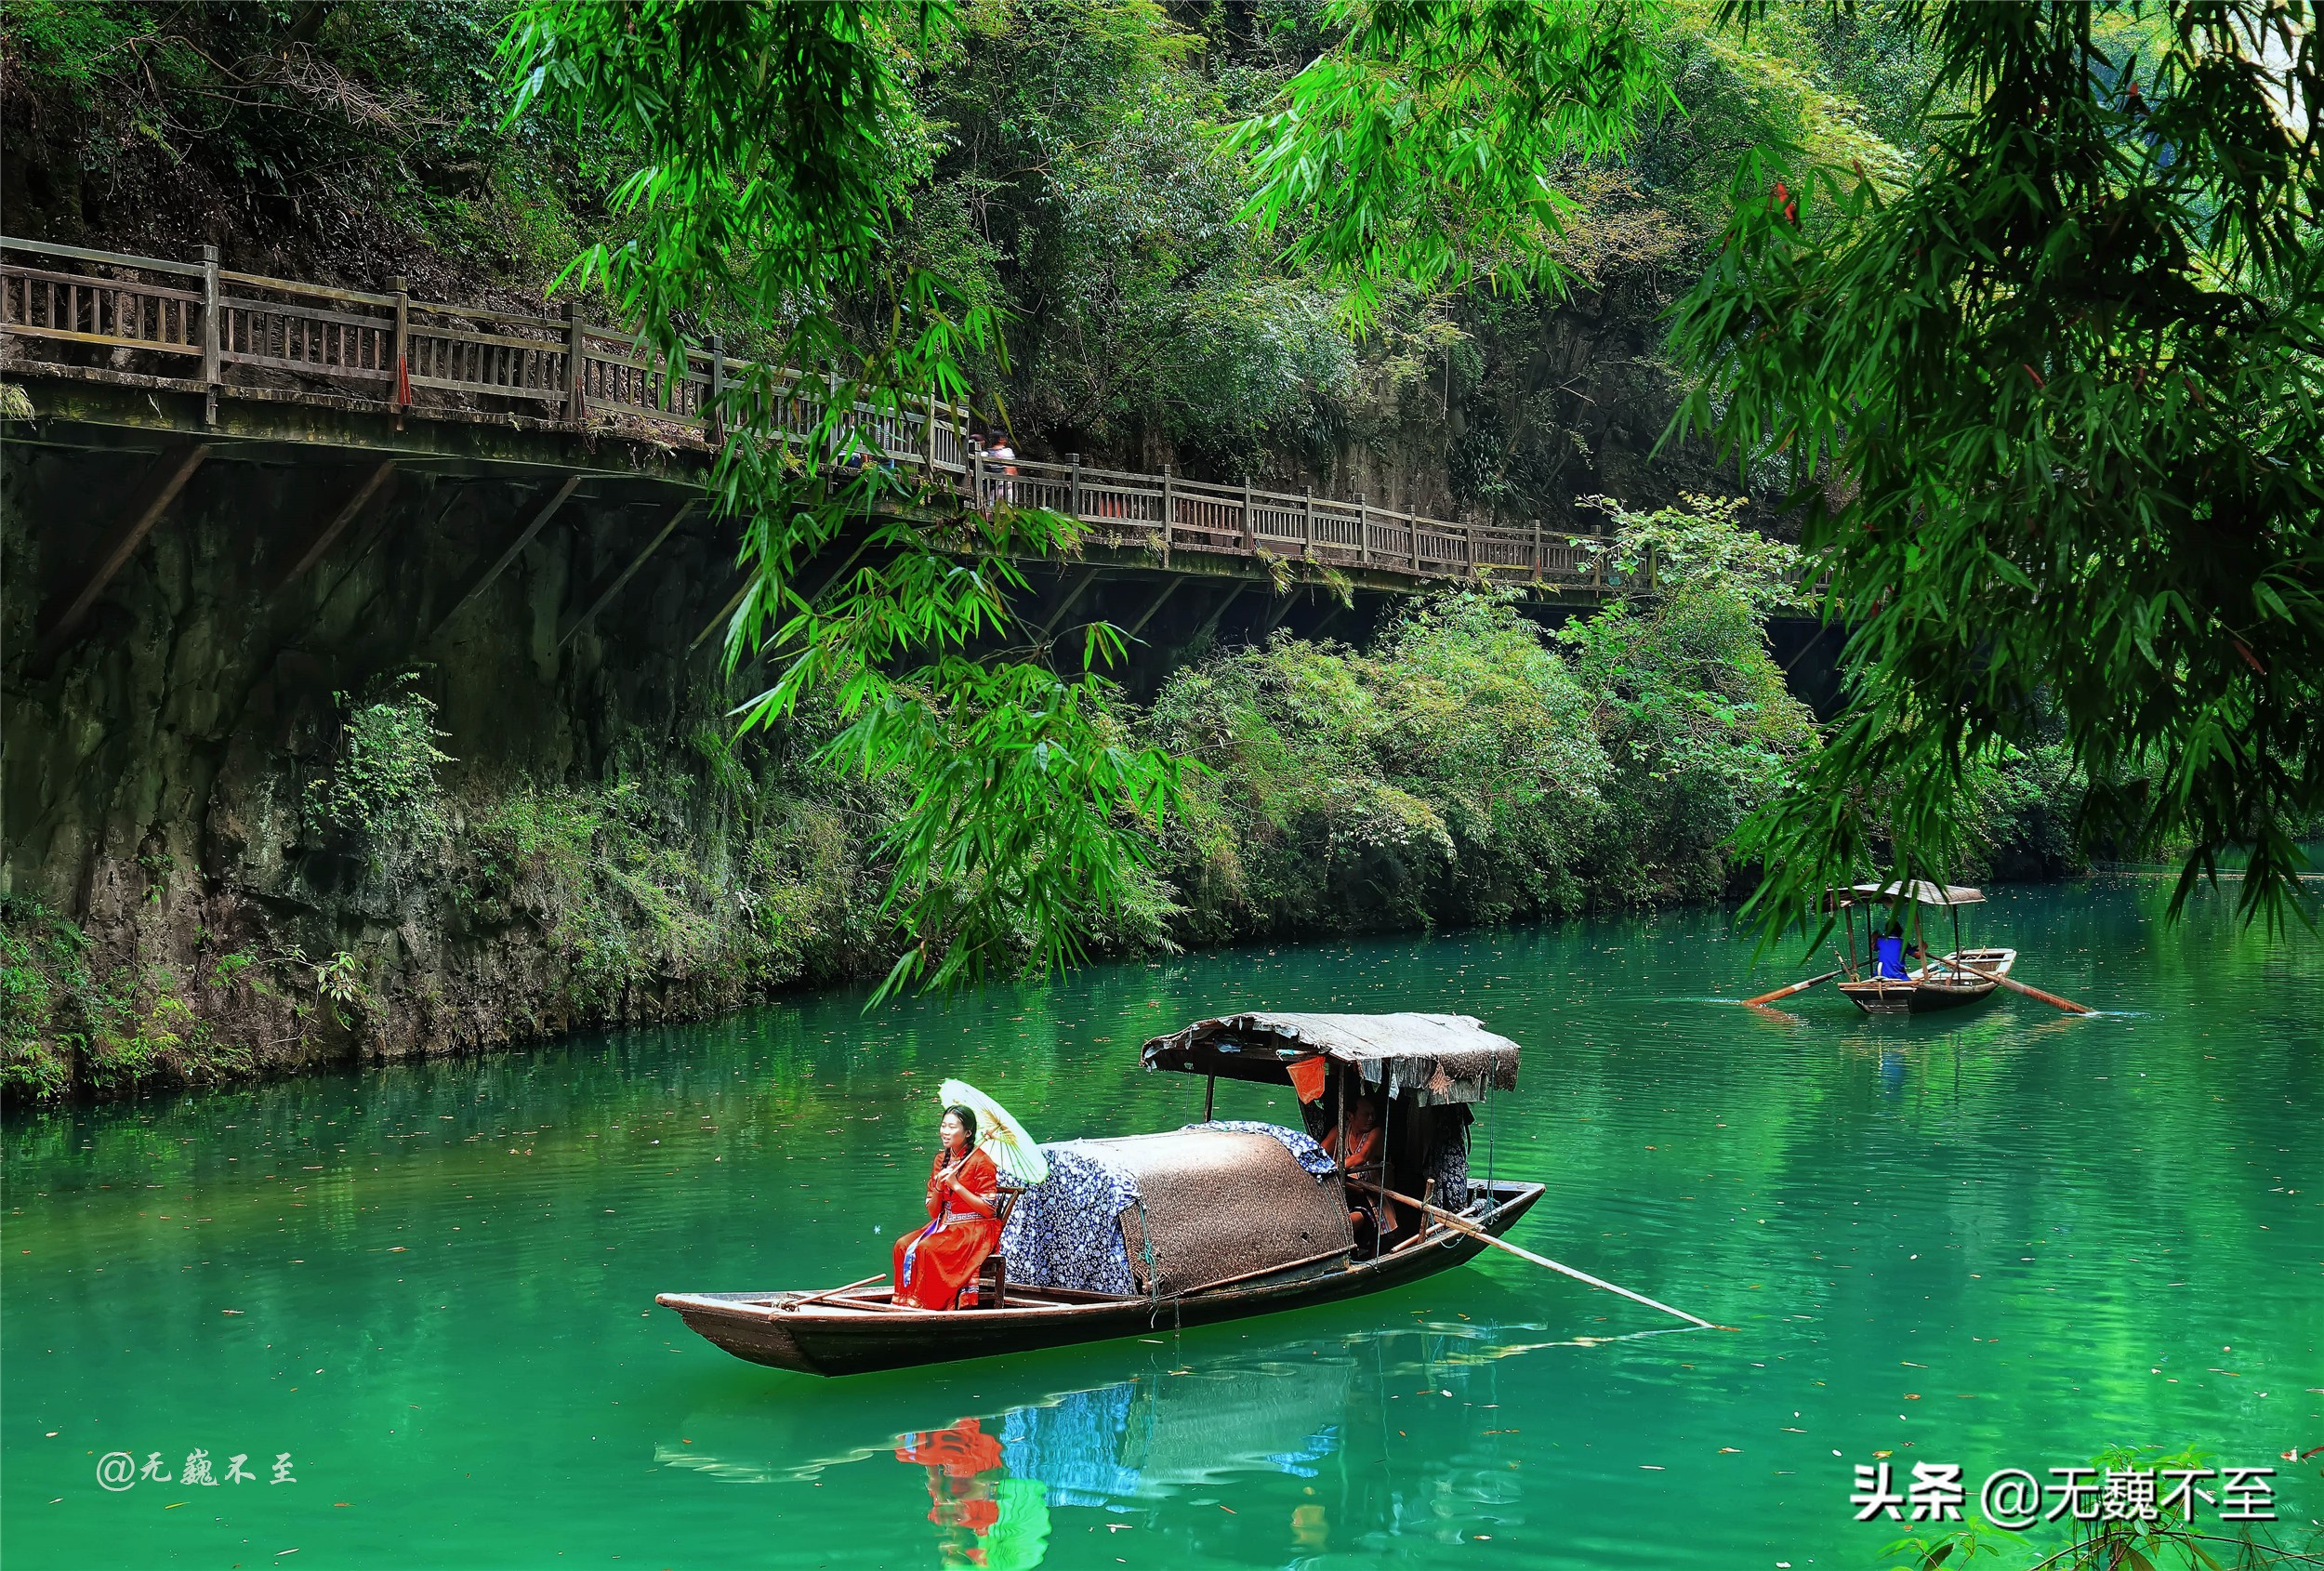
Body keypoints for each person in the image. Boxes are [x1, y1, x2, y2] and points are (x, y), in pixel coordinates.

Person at [892, 1105, 1004, 1310]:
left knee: (927, 1248)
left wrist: (956, 1185)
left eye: (952, 1127)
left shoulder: (982, 1161)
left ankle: (930, 1303)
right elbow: (934, 1212)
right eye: (943, 1125)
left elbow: (989, 1210)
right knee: (902, 1245)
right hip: (945, 1224)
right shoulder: (940, 1160)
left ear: (968, 1133)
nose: (945, 1131)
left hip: (977, 1226)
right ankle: (907, 1300)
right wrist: (937, 1187)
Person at [1322, 1092, 1397, 1248]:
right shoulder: (1341, 1130)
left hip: (1370, 1199)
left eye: (1373, 1114)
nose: (1371, 1118)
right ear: (1350, 1115)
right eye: (1366, 1114)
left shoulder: (1376, 1133)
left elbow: (1361, 1157)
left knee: (1350, 1222)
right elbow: (1321, 1151)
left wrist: (1333, 1168)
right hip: (1344, 1195)